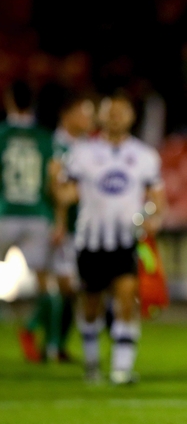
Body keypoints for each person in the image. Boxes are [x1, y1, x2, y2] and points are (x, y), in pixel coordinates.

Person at [57, 91, 166, 384]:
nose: (116, 116)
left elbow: (156, 196)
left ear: (131, 116)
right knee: (90, 307)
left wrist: (154, 216)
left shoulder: (144, 155)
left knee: (126, 300)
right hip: (90, 241)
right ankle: (92, 363)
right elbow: (65, 192)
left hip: (125, 240)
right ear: (100, 115)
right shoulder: (82, 152)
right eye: (110, 111)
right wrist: (56, 186)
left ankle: (121, 369)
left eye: (122, 111)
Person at [1, 80, 57, 363]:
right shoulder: (44, 138)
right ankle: (38, 335)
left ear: (9, 100)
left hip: (4, 212)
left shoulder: (1, 134)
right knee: (45, 285)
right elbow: (53, 181)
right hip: (37, 215)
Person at [47, 91, 97, 362]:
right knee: (65, 286)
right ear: (67, 115)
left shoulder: (88, 146)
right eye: (83, 112)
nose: (88, 118)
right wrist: (58, 222)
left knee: (75, 288)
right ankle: (50, 342)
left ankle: (56, 344)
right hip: (61, 227)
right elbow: (56, 190)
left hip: (86, 228)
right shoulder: (56, 147)